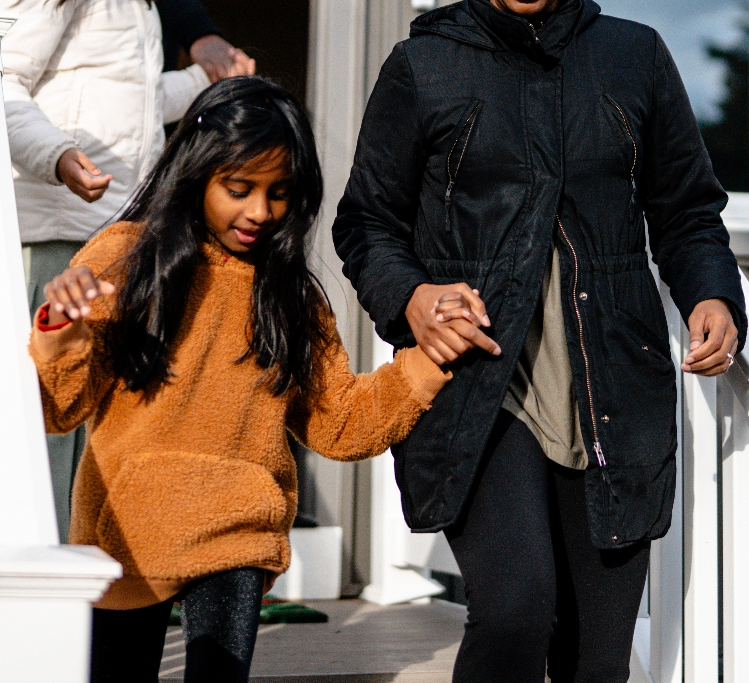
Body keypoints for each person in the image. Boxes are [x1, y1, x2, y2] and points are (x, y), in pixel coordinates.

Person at [332, 0, 748, 683]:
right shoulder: (424, 67)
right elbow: (366, 222)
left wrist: (712, 294)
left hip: (610, 383)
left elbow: (686, 212)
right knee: (517, 608)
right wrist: (408, 298)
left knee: (596, 662)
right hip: (481, 387)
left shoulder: (634, 58)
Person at [31, 77, 460, 683]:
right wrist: (62, 327)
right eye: (239, 188)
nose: (260, 212)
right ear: (197, 173)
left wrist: (422, 363)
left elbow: (338, 422)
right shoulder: (125, 256)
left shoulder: (292, 296)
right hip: (128, 528)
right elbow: (59, 405)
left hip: (239, 526)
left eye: (279, 193)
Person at [0, 0, 251, 536]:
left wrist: (203, 84)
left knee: (104, 425)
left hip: (115, 238)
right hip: (59, 236)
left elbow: (130, 100)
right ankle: (28, 594)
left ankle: (94, 598)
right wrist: (54, 155)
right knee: (47, 425)